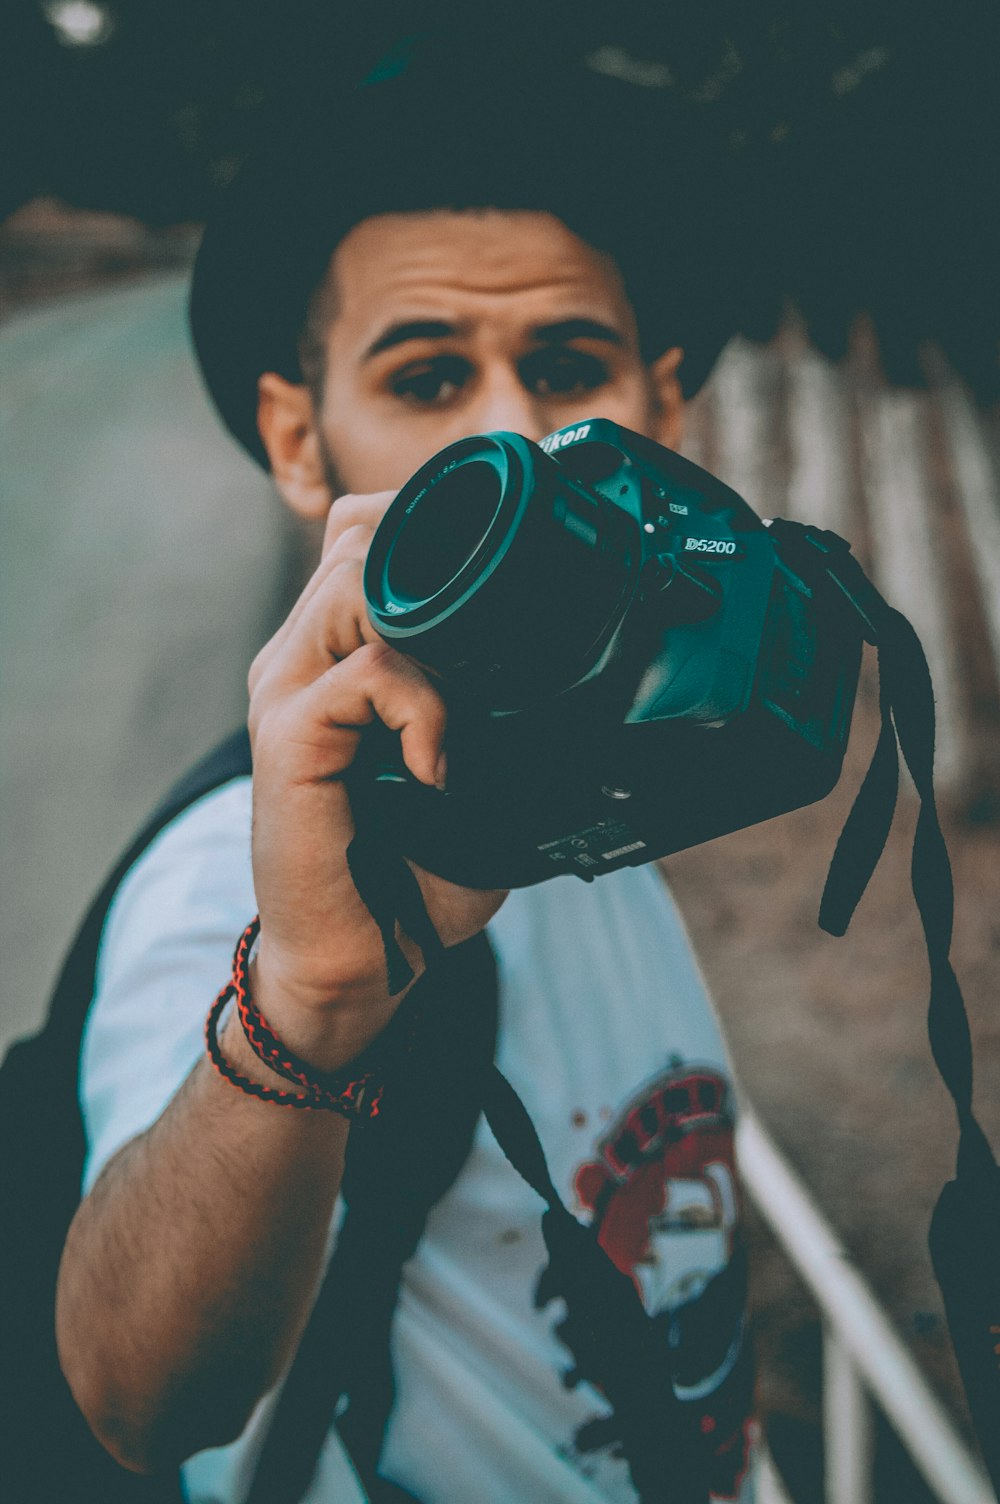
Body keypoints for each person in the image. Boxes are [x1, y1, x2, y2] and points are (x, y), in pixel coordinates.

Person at [54, 40, 757, 1504]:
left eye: (567, 371)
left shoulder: (590, 786)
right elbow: (138, 1400)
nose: (508, 435)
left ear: (663, 408)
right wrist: (305, 1009)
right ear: (301, 445)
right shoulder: (233, 881)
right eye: (430, 375)